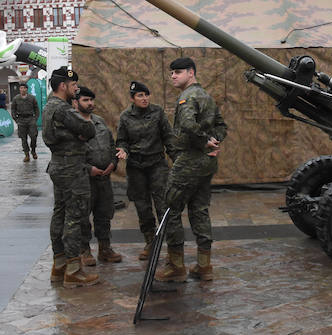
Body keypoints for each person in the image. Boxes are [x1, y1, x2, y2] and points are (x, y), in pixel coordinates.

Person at [156, 57, 227, 283]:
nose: (173, 76)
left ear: (191, 73)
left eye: (178, 72)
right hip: (206, 165)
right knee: (200, 209)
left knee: (170, 209)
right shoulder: (207, 96)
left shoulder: (187, 97)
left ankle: (176, 266)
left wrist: (205, 141)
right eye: (172, 73)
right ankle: (204, 265)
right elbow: (222, 126)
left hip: (188, 162)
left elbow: (187, 125)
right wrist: (214, 141)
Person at [42, 66, 99, 288]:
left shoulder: (49, 106)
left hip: (58, 165)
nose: (76, 88)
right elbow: (89, 129)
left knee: (60, 213)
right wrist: (79, 133)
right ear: (63, 86)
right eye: (74, 85)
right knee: (75, 216)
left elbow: (54, 136)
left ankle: (59, 265)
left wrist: (75, 133)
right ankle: (74, 269)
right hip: (72, 168)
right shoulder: (63, 109)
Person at [116, 80, 173, 260]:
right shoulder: (125, 117)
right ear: (132, 98)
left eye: (146, 94)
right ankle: (150, 242)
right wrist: (123, 150)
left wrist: (176, 158)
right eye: (140, 95)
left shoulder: (157, 112)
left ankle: (171, 245)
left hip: (157, 165)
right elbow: (121, 140)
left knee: (163, 204)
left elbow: (168, 137)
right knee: (142, 207)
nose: (144, 98)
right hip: (136, 168)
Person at [75, 86, 123, 265]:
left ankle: (105, 249)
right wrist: (88, 169)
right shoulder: (73, 123)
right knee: (82, 216)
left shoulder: (100, 122)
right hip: (84, 179)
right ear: (76, 102)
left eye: (91, 100)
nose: (90, 104)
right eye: (85, 100)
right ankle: (84, 251)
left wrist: (113, 162)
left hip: (104, 177)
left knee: (104, 214)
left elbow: (111, 144)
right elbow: (70, 153)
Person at [11, 82, 40, 162]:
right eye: (21, 88)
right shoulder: (16, 99)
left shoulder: (32, 98)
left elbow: (36, 109)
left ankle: (33, 150)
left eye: (24, 88)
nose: (22, 90)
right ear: (19, 89)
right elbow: (13, 109)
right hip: (21, 120)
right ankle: (26, 154)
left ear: (27, 89)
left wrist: (35, 118)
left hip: (31, 119)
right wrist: (16, 119)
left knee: (34, 136)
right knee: (23, 138)